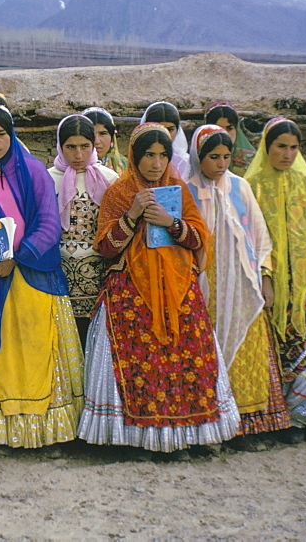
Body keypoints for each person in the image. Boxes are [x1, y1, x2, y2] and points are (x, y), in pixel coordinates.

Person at [79, 123, 239, 457]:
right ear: (135, 157)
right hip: (131, 293)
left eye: (163, 155)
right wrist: (134, 214)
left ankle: (187, 435)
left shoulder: (178, 191)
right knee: (139, 363)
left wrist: (171, 223)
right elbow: (107, 248)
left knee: (186, 361)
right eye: (149, 155)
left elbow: (198, 240)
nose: (156, 163)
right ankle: (137, 440)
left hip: (178, 290)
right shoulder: (119, 193)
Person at [0, 102, 84, 453]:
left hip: (32, 274)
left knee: (37, 348)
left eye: (1, 134)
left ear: (11, 133)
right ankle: (1, 432)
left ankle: (48, 432)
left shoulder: (34, 172)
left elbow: (48, 224)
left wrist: (18, 258)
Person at [185, 124, 292, 451]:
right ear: (198, 157)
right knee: (206, 354)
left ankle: (247, 426)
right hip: (207, 286)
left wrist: (265, 279)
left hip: (242, 283)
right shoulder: (186, 191)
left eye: (226, 156)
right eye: (213, 157)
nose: (221, 164)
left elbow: (259, 239)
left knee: (247, 349)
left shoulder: (240, 187)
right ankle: (212, 427)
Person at [244, 117, 306, 441]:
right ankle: (275, 417)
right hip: (268, 281)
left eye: (294, 148)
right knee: (275, 348)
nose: (288, 154)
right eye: (281, 146)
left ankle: (301, 416)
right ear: (267, 147)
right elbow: (250, 238)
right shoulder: (251, 185)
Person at [48, 114, 119, 345]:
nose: (78, 155)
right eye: (70, 147)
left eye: (84, 146)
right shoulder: (47, 179)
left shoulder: (109, 179)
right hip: (59, 280)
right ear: (60, 145)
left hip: (100, 281)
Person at [205, 102, 257, 176]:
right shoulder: (199, 159)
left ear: (236, 129)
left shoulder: (252, 161)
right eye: (218, 128)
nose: (225, 133)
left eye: (229, 128)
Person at [140, 101, 189, 177]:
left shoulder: (187, 163)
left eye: (170, 130)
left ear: (178, 130)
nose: (165, 134)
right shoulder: (136, 160)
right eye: (159, 129)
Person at [82, 107, 128, 174]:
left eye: (103, 134)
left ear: (112, 137)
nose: (97, 141)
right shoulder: (69, 170)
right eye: (91, 134)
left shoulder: (125, 167)